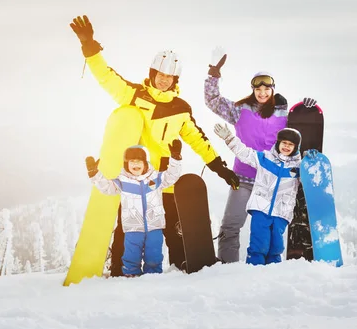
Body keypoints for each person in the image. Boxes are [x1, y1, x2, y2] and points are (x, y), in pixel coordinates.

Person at [70, 15, 239, 275]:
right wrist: (89, 46)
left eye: (169, 76)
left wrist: (220, 168)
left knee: (172, 228)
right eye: (160, 74)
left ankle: (179, 270)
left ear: (175, 80)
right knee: (128, 226)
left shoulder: (181, 109)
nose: (163, 80)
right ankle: (118, 269)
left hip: (164, 180)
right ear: (152, 74)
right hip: (134, 178)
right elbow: (106, 76)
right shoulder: (135, 95)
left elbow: (198, 140)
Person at [204, 47, 317, 263]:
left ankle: (267, 273)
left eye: (267, 88)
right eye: (259, 88)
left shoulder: (284, 114)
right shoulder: (240, 110)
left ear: (273, 90)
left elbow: (299, 134)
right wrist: (213, 73)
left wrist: (307, 109)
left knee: (270, 233)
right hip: (244, 179)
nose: (263, 93)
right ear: (253, 89)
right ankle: (228, 269)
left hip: (272, 183)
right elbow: (213, 101)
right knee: (230, 226)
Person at [85, 141, 182, 276]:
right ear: (126, 164)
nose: (135, 164)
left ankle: (153, 276)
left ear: (146, 163)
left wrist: (175, 159)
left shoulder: (156, 178)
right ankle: (131, 275)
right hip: (132, 227)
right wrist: (94, 174)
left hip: (154, 226)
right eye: (132, 161)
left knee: (154, 254)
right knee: (131, 255)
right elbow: (107, 187)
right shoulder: (122, 181)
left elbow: (171, 176)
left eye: (139, 161)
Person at [213, 124, 304, 265]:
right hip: (261, 209)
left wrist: (311, 161)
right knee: (259, 243)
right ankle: (254, 269)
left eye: (291, 144)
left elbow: (307, 178)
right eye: (284, 143)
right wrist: (229, 138)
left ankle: (274, 272)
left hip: (281, 212)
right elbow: (245, 153)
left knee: (276, 247)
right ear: (278, 143)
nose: (286, 146)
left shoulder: (298, 167)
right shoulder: (265, 158)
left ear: (296, 147)